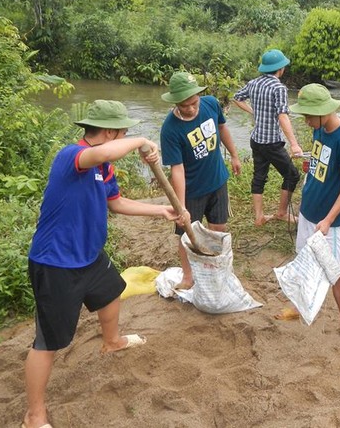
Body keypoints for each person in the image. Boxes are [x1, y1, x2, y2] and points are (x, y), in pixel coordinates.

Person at [23, 100, 185, 428]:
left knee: (112, 290)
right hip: (56, 263)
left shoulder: (104, 168)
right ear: (110, 132)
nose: (126, 136)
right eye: (123, 131)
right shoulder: (73, 156)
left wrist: (161, 211)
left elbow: (116, 202)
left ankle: (111, 342)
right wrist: (140, 142)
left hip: (90, 256)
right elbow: (103, 154)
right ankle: (33, 415)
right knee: (49, 341)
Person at [279, 83, 340, 346]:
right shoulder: (320, 130)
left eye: (308, 116)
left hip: (330, 220)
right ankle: (299, 305)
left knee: (334, 271)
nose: (305, 121)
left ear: (324, 112)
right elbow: (319, 166)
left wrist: (328, 220)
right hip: (308, 209)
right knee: (303, 257)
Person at [160, 72, 242, 289]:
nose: (190, 108)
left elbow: (222, 127)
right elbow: (177, 169)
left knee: (218, 228)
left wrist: (234, 155)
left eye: (193, 102)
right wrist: (181, 206)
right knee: (187, 235)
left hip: (217, 181)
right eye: (184, 105)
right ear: (175, 102)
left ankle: (218, 270)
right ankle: (188, 277)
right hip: (192, 191)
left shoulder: (211, 104)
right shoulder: (170, 129)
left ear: (199, 96)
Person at [232, 49, 302, 226]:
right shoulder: (279, 88)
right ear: (280, 69)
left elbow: (237, 98)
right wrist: (294, 144)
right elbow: (282, 116)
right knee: (292, 175)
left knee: (259, 177)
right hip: (272, 142)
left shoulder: (254, 83)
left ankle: (259, 217)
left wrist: (253, 111)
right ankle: (281, 213)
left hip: (256, 140)